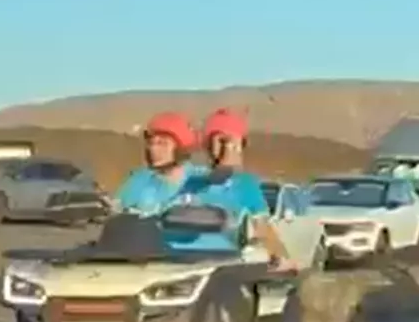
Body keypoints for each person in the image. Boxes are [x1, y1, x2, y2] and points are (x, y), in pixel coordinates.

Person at [185, 108, 293, 267]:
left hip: (223, 262)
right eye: (221, 141)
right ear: (208, 145)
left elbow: (263, 228)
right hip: (179, 259)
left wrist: (284, 259)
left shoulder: (245, 184)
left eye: (233, 143)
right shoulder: (191, 178)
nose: (228, 149)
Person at [113, 111, 204, 216]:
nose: (154, 149)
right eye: (151, 143)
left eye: (162, 143)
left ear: (180, 149)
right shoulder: (138, 180)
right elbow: (116, 209)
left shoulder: (201, 182)